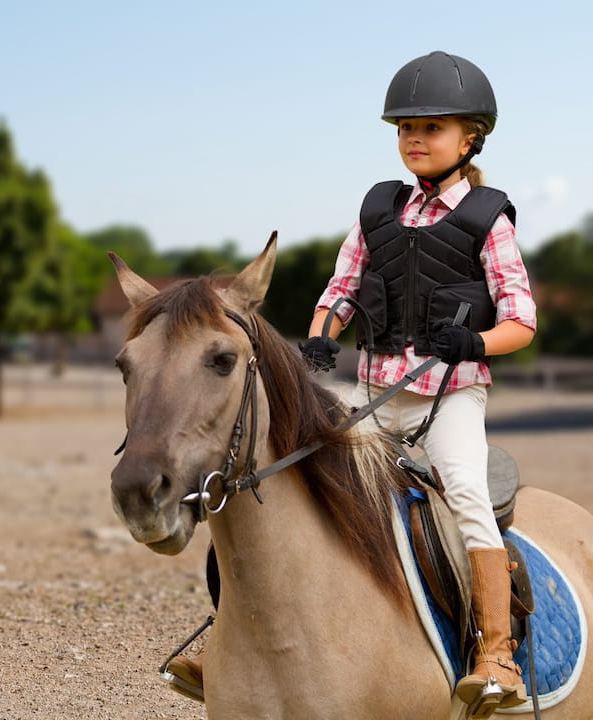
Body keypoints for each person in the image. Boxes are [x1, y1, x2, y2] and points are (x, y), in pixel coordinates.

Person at [166, 51, 537, 716]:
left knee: (468, 496)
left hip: (449, 394)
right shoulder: (376, 210)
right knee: (274, 479)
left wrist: (476, 343)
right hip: (375, 393)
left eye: (432, 129)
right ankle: (222, 633)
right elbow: (341, 289)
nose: (415, 141)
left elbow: (522, 320)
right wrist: (320, 334)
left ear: (470, 138)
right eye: (405, 130)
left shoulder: (489, 218)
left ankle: (497, 654)